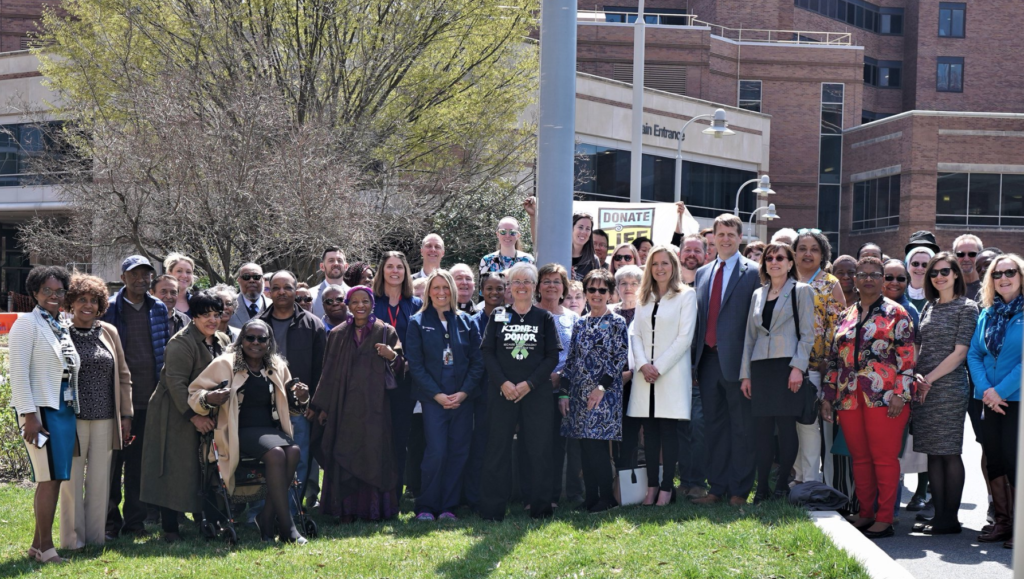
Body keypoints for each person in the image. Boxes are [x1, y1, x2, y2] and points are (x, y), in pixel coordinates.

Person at [188, 319, 310, 543]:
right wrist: (210, 398)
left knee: (293, 451)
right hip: (236, 430)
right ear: (241, 340)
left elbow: (292, 408)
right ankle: (287, 528)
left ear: (269, 342)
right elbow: (195, 393)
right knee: (276, 453)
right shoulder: (225, 364)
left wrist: (301, 397)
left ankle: (266, 518)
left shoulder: (276, 366)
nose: (255, 342)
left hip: (269, 430)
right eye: (250, 337)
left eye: (261, 338)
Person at [821, 257, 916, 539]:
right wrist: (828, 396)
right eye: (862, 274)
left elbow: (908, 358)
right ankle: (865, 513)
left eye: (876, 275)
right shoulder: (846, 315)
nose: (869, 279)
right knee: (859, 458)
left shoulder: (897, 313)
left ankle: (885, 518)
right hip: (849, 396)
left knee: (884, 459)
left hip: (886, 397)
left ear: (883, 278)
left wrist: (901, 393)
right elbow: (834, 359)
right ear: (855, 279)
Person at [140, 290, 229, 542]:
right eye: (205, 315)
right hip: (175, 412)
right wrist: (194, 417)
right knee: (175, 467)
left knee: (207, 467)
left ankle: (209, 522)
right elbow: (176, 383)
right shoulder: (181, 342)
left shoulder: (221, 339)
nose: (212, 320)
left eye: (216, 314)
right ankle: (170, 529)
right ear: (194, 316)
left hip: (208, 410)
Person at [479, 262, 562, 521]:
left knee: (538, 450)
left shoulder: (544, 317)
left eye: (527, 282)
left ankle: (540, 509)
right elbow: (488, 352)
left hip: (535, 393)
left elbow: (551, 357)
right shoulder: (499, 315)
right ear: (509, 287)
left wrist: (529, 384)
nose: (521, 286)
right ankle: (493, 510)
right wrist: (503, 383)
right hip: (502, 392)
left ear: (534, 287)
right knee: (497, 450)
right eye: (516, 282)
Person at [312, 286, 403, 522]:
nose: (360, 306)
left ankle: (373, 510)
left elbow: (403, 367)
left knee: (374, 453)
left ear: (372, 303)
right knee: (344, 451)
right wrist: (323, 407)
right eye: (354, 302)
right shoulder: (338, 333)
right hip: (344, 408)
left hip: (376, 408)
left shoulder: (386, 331)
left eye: (365, 301)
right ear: (348, 305)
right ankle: (345, 510)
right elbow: (328, 372)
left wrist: (391, 355)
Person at [10, 266, 80, 564]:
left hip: (62, 407)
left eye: (59, 291)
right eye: (47, 291)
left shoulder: (60, 322)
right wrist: (29, 415)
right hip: (40, 410)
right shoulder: (27, 324)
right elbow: (18, 373)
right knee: (47, 478)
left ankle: (38, 547)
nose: (54, 296)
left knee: (55, 478)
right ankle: (46, 549)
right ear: (35, 293)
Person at [691, 214, 761, 506]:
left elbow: (754, 323)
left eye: (732, 234)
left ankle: (739, 491)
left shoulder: (754, 272)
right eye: (721, 234)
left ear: (740, 238)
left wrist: (749, 370)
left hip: (737, 364)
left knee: (741, 429)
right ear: (714, 238)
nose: (726, 239)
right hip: (706, 362)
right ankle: (716, 488)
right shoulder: (703, 273)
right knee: (715, 428)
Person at [59, 274, 132, 550]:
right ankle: (72, 540)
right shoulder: (60, 333)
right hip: (71, 418)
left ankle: (95, 538)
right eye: (82, 300)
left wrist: (126, 416)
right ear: (71, 302)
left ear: (101, 304)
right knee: (71, 481)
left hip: (105, 418)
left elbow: (124, 376)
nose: (88, 305)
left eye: (94, 300)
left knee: (101, 481)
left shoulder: (109, 332)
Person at [739, 243, 815, 503]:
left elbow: (807, 334)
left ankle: (782, 484)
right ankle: (761, 488)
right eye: (769, 258)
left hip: (787, 366)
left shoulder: (801, 290)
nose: (774, 262)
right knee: (761, 430)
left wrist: (797, 368)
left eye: (780, 257)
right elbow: (749, 338)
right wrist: (745, 375)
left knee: (785, 428)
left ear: (790, 263)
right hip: (761, 367)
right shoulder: (757, 294)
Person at [103, 255, 171, 540]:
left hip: (149, 398)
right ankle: (108, 520)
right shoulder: (108, 308)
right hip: (114, 400)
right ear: (124, 277)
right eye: (135, 274)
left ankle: (135, 522)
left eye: (146, 275)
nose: (141, 279)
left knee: (138, 467)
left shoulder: (159, 308)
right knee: (110, 465)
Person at [406, 270, 483, 521]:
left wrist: (464, 392)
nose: (441, 293)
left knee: (458, 451)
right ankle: (427, 506)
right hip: (433, 401)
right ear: (428, 291)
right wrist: (437, 395)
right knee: (436, 451)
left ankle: (449, 506)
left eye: (445, 287)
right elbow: (415, 365)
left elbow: (477, 362)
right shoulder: (417, 322)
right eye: (436, 287)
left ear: (452, 290)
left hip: (462, 400)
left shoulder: (466, 321)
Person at [911, 253, 979, 534]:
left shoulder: (968, 307)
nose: (939, 276)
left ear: (955, 274)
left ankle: (950, 519)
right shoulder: (929, 306)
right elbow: (918, 345)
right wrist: (916, 375)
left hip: (949, 387)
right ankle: (940, 516)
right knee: (933, 453)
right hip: (924, 387)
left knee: (949, 451)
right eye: (934, 273)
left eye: (945, 271)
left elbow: (960, 352)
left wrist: (929, 379)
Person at [629, 246, 697, 506]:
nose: (660, 268)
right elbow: (635, 334)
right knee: (650, 434)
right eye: (655, 263)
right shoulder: (642, 297)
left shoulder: (686, 295)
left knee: (669, 434)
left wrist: (659, 366)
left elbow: (685, 337)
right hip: (644, 375)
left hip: (670, 375)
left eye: (665, 263)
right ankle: (651, 487)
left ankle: (667, 488)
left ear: (674, 266)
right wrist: (643, 365)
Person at [560, 269, 629, 513]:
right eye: (592, 289)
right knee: (584, 446)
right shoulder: (581, 322)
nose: (597, 294)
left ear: (610, 294)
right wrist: (565, 392)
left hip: (605, 394)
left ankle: (607, 498)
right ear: (586, 293)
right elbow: (572, 360)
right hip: (579, 394)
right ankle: (591, 499)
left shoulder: (617, 322)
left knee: (597, 447)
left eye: (602, 290)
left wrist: (601, 388)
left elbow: (619, 358)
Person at [257, 271, 327, 510]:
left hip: (299, 408)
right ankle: (262, 511)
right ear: (269, 291)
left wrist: (314, 404)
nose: (281, 292)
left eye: (287, 287)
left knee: (299, 459)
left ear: (296, 291)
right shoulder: (258, 324)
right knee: (265, 459)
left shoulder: (312, 324)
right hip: (263, 407)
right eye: (275, 287)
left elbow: (322, 369)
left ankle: (292, 510)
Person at [968, 253, 1024, 548]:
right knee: (996, 460)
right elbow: (975, 354)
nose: (1004, 278)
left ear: (1021, 275)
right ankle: (1003, 523)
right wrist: (986, 390)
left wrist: (1000, 390)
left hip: (1015, 399)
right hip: (987, 399)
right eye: (997, 274)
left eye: (1010, 272)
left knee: (1017, 462)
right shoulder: (986, 313)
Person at [792, 229, 846, 486]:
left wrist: (830, 365)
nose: (807, 253)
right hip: (786, 364)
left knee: (815, 427)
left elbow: (838, 329)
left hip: (817, 367)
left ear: (823, 254)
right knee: (794, 426)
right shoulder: (785, 278)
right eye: (802, 248)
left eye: (814, 249)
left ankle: (817, 484)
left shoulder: (830, 283)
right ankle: (797, 478)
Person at [373, 251, 423, 493]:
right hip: (373, 381)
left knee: (400, 437)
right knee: (376, 437)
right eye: (390, 267)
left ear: (406, 272)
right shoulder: (371, 302)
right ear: (382, 271)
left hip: (405, 380)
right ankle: (375, 490)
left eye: (400, 267)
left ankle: (395, 493)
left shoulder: (416, 305)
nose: (395, 271)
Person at [883, 258, 929, 512]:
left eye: (900, 278)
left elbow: (911, 355)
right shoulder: (866, 307)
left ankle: (890, 512)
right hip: (871, 392)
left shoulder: (908, 310)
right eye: (888, 277)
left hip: (896, 391)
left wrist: (902, 391)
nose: (894, 283)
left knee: (895, 454)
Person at [535, 263, 580, 508]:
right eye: (546, 281)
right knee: (537, 445)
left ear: (563, 287)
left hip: (565, 392)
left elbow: (577, 356)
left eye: (556, 281)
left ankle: (555, 496)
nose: (551, 286)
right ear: (538, 286)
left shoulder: (574, 319)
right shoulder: (529, 314)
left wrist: (561, 376)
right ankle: (535, 495)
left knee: (559, 446)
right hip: (534, 391)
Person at [464, 272, 507, 511]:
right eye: (489, 288)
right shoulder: (471, 321)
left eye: (499, 288)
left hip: (505, 393)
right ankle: (474, 498)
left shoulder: (513, 319)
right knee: (478, 446)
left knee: (499, 447)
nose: (494, 293)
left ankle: (500, 494)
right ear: (481, 291)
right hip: (479, 394)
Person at [610, 266, 643, 478]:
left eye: (633, 283)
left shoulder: (647, 310)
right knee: (614, 431)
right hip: (612, 380)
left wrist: (631, 372)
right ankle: (615, 478)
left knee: (633, 431)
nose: (628, 287)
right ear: (617, 287)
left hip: (640, 379)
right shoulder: (609, 311)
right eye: (623, 283)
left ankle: (630, 478)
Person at [311, 248, 349, 319]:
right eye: (331, 260)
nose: (336, 263)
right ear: (322, 267)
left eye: (339, 260)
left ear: (346, 266)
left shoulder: (354, 295)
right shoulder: (311, 296)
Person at [230, 263, 271, 328]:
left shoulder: (274, 306)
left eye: (256, 277)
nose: (251, 280)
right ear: (239, 280)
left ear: (263, 280)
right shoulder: (229, 307)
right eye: (246, 277)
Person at [571, 213, 601, 281]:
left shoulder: (593, 261)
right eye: (580, 227)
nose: (584, 232)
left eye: (588, 229)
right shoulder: (559, 255)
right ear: (572, 228)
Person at [953, 234, 984, 299]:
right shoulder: (947, 288)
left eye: (972, 254)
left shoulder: (989, 287)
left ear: (980, 255)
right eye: (960, 254)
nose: (966, 259)